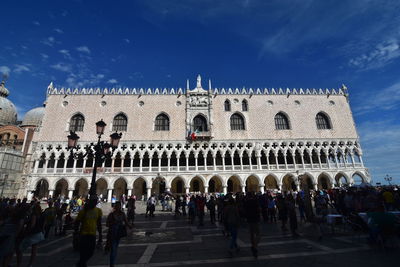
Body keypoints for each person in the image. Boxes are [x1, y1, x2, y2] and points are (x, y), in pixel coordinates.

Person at [74, 198, 103, 267]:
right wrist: (76, 232)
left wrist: (100, 234)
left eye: (95, 202)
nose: (94, 203)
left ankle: (81, 263)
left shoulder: (98, 211)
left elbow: (99, 223)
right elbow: (77, 222)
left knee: (91, 252)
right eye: (93, 202)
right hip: (83, 234)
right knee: (83, 252)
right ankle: (82, 263)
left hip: (92, 234)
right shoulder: (83, 211)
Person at [16, 202, 44, 267]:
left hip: (32, 234)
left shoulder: (34, 215)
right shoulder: (41, 215)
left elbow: (32, 225)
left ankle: (19, 264)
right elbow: (43, 224)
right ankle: (30, 264)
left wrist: (26, 231)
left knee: (21, 248)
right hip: (38, 233)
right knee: (34, 250)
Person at [106, 201, 132, 267]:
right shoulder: (111, 215)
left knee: (115, 247)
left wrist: (130, 226)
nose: (118, 207)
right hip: (112, 232)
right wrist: (113, 223)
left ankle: (112, 262)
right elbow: (107, 224)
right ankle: (112, 263)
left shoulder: (122, 214)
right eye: (117, 206)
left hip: (119, 233)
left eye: (119, 206)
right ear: (115, 207)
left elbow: (126, 222)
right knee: (114, 248)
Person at [244, 192, 261, 258]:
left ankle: (253, 245)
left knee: (251, 234)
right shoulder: (255, 201)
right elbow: (259, 209)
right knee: (258, 234)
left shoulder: (246, 202)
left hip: (249, 219)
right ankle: (255, 246)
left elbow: (244, 210)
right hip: (255, 219)